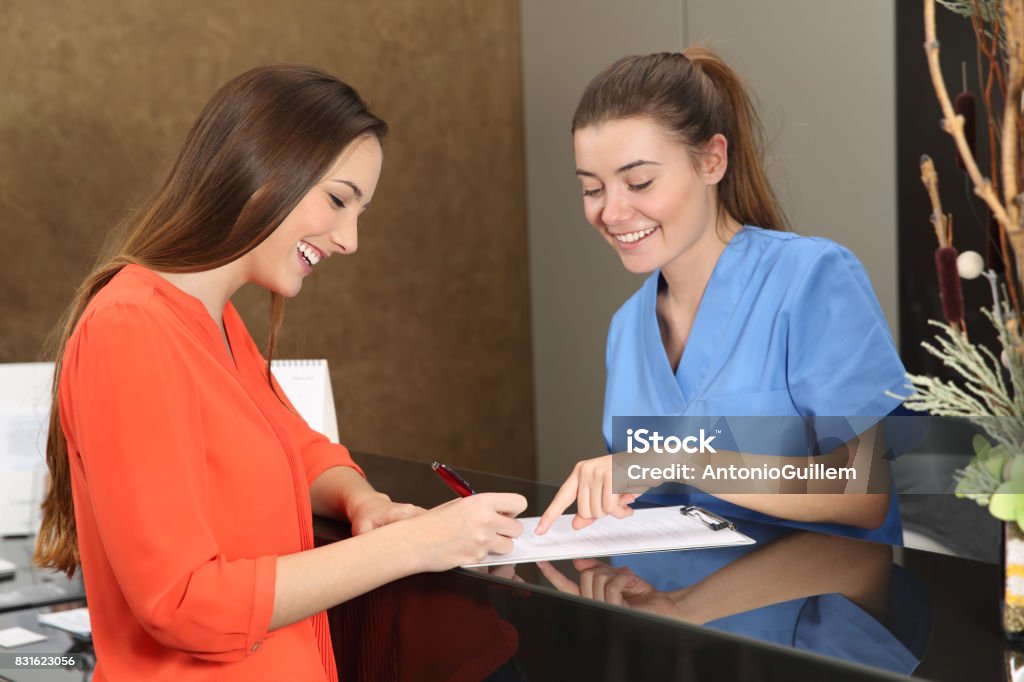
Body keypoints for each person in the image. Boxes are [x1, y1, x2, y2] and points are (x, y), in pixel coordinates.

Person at [33, 64, 526, 682]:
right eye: (339, 200)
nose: (349, 239)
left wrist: (363, 501)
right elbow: (183, 602)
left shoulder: (216, 322)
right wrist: (415, 544)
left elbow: (304, 451)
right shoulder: (131, 329)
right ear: (263, 169)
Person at [537, 48, 907, 544]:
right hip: (664, 612)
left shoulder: (811, 279)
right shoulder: (627, 328)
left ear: (712, 160)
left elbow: (864, 492)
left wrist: (684, 458)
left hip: (809, 612)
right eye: (592, 189)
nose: (613, 212)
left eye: (639, 181)